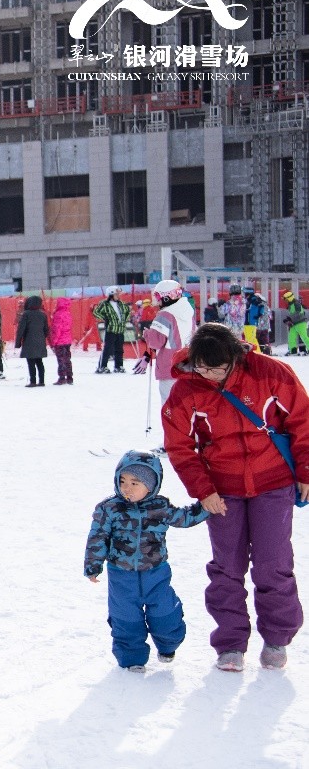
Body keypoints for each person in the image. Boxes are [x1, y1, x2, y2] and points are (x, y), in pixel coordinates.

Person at [161, 322, 309, 671]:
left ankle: (276, 638)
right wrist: (204, 490)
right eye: (202, 367)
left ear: (235, 359)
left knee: (273, 563)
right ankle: (230, 644)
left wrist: (305, 471)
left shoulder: (271, 373)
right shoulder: (185, 390)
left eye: (216, 368)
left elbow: (303, 423)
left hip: (272, 481)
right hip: (222, 489)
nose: (208, 375)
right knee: (227, 566)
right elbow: (180, 447)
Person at [84, 451, 209, 672]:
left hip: (156, 573)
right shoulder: (109, 509)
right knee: (125, 617)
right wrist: (93, 565)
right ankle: (132, 658)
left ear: (151, 485)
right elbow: (98, 537)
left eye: (135, 482)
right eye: (122, 481)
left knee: (165, 613)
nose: (127, 488)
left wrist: (207, 507)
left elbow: (184, 518)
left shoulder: (160, 507)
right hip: (121, 576)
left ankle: (168, 644)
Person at [137, 280, 197, 405]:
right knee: (187, 403)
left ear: (166, 297)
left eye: (158, 297)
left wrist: (148, 334)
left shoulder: (165, 315)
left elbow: (156, 342)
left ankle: (172, 424)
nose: (157, 301)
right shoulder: (188, 311)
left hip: (169, 366)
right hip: (187, 364)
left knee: (170, 404)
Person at [93, 286, 131, 373]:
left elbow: (127, 311)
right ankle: (102, 366)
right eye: (116, 294)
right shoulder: (105, 304)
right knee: (108, 349)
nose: (118, 296)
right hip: (111, 329)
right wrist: (105, 318)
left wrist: (125, 319)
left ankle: (118, 366)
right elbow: (96, 312)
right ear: (111, 294)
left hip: (120, 329)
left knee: (119, 349)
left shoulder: (121, 304)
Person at [16, 295, 50, 387]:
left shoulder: (26, 314)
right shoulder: (43, 314)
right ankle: (42, 381)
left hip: (29, 342)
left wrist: (18, 342)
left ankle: (33, 381)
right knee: (39, 362)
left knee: (31, 362)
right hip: (40, 342)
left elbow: (21, 329)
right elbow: (46, 330)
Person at [50, 297, 74, 385]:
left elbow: (57, 329)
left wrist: (54, 341)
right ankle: (70, 377)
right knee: (67, 359)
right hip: (67, 340)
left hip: (60, 341)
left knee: (61, 360)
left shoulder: (58, 315)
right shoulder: (68, 313)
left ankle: (62, 377)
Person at [284, 290, 307, 356]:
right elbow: (292, 314)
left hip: (301, 323)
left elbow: (298, 312)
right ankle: (293, 350)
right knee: (291, 337)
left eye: (286, 299)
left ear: (289, 298)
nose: (286, 301)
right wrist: (288, 320)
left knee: (304, 337)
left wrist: (289, 318)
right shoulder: (290, 305)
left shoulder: (296, 303)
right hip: (294, 324)